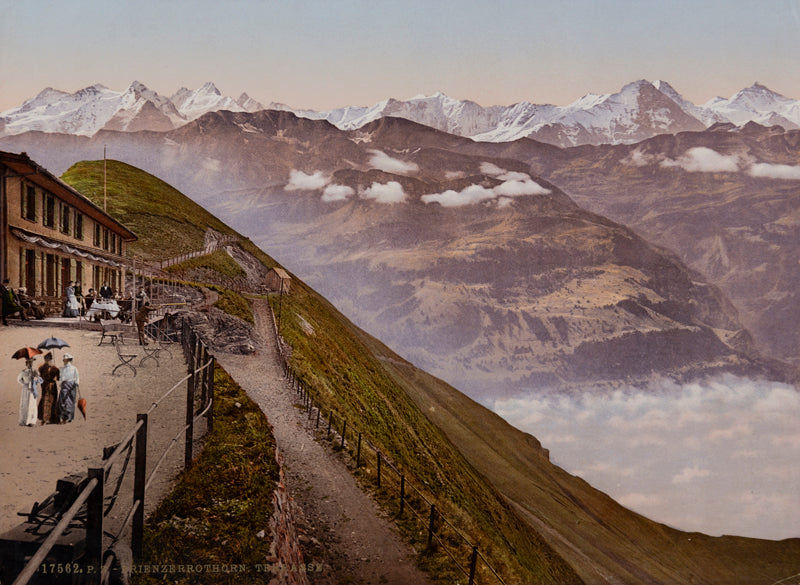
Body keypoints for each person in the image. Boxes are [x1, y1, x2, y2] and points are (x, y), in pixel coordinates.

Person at [17, 357, 41, 427]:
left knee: (32, 405)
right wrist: (25, 384)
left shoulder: (34, 371)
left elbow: (38, 380)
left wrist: (35, 377)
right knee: (25, 404)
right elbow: (19, 379)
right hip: (26, 389)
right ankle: (23, 420)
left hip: (32, 390)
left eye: (31, 362)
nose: (30, 364)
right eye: (29, 363)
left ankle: (31, 421)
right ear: (26, 364)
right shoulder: (23, 372)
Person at [38, 352, 60, 425]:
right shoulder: (53, 368)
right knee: (49, 401)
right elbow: (58, 378)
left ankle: (47, 419)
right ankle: (47, 419)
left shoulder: (42, 367)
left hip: (47, 386)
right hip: (49, 386)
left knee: (48, 401)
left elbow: (57, 378)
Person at [58, 353, 80, 423]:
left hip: (72, 385)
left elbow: (77, 377)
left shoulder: (74, 368)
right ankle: (64, 416)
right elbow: (61, 378)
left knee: (71, 401)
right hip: (64, 385)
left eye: (65, 360)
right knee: (63, 400)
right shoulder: (62, 369)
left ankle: (70, 416)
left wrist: (76, 383)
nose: (64, 361)